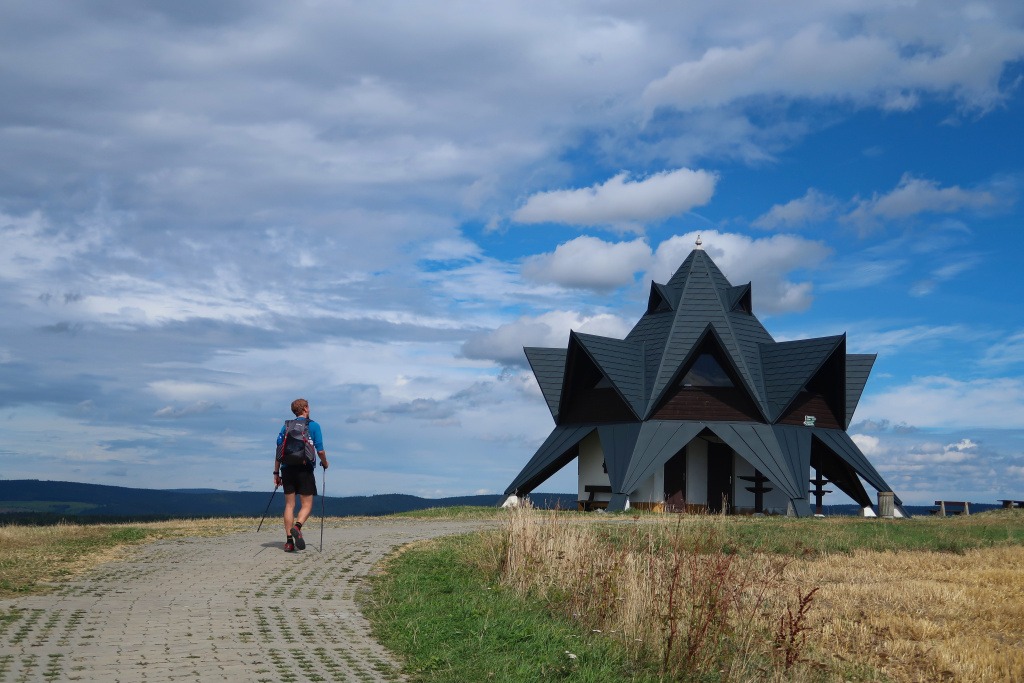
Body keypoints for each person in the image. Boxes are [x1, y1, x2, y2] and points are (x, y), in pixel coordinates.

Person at [274, 398, 329, 551]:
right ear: (305, 408)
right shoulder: (314, 426)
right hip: (305, 468)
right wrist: (325, 462)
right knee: (307, 505)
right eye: (308, 406)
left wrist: (276, 473)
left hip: (287, 468)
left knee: (289, 505)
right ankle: (297, 528)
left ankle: (289, 542)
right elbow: (320, 451)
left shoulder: (286, 426)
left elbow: (279, 451)